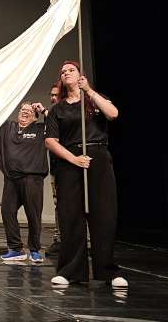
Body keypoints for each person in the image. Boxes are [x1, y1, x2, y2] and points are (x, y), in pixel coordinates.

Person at [44, 61, 126, 288]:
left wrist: (89, 90)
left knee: (104, 214)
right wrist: (74, 159)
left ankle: (108, 271)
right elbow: (50, 141)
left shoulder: (94, 100)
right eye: (63, 71)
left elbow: (113, 114)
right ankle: (70, 271)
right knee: (71, 215)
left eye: (71, 70)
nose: (66, 73)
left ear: (81, 75)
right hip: (71, 161)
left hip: (98, 158)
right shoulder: (57, 109)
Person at [0, 102, 49, 264]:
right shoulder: (8, 127)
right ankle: (15, 249)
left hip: (32, 178)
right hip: (11, 179)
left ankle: (34, 250)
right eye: (22, 109)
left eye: (30, 110)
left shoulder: (40, 129)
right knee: (7, 211)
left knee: (33, 215)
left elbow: (57, 123)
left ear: (35, 117)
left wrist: (43, 110)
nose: (25, 112)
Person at [43, 83, 62, 254]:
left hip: (71, 165)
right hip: (56, 168)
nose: (53, 98)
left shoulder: (68, 113)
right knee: (58, 203)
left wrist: (45, 112)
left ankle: (86, 240)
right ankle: (59, 239)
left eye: (56, 95)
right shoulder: (50, 115)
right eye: (51, 95)